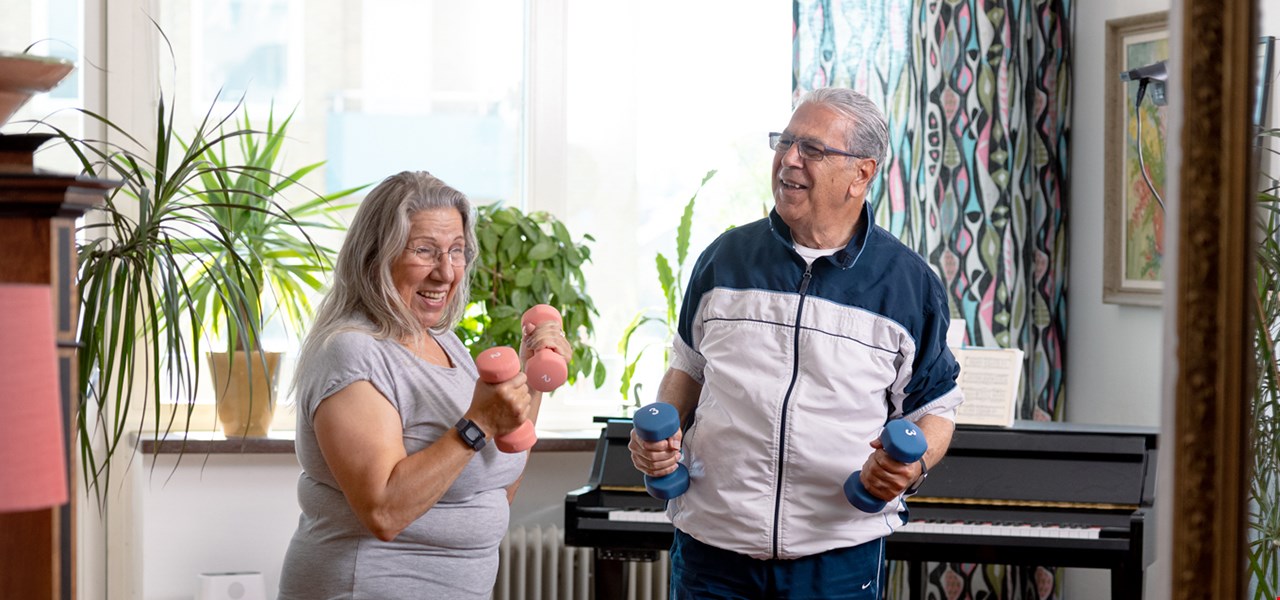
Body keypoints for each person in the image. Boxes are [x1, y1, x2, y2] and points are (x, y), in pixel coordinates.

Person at [629, 87, 964, 599]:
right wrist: (656, 440)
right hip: (712, 549)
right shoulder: (725, 258)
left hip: (837, 555)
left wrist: (910, 467)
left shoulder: (907, 284)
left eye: (812, 149)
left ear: (862, 174)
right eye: (784, 143)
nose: (788, 159)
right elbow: (688, 368)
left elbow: (936, 407)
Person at [277, 171, 570, 599]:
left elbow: (494, 484)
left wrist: (532, 379)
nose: (446, 272)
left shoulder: (444, 343)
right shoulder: (353, 351)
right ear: (376, 255)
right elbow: (384, 511)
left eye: (456, 251)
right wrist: (477, 423)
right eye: (425, 251)